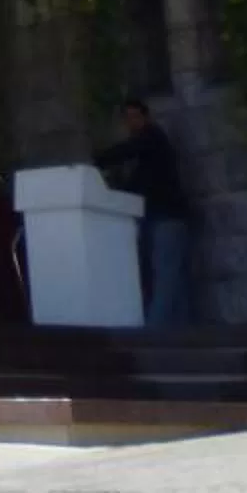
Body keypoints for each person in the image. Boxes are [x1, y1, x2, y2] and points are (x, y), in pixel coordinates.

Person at [94, 98, 194, 326]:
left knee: (167, 279)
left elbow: (127, 151)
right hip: (163, 218)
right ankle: (187, 333)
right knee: (176, 281)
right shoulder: (147, 155)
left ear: (146, 117)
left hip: (168, 218)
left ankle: (154, 336)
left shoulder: (152, 137)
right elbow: (136, 183)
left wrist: (97, 160)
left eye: (135, 117)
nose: (131, 123)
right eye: (127, 118)